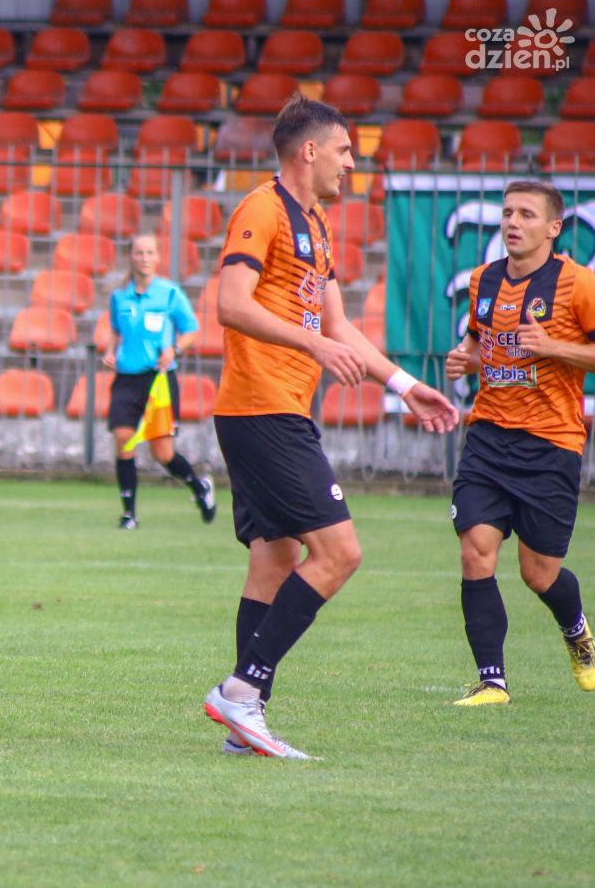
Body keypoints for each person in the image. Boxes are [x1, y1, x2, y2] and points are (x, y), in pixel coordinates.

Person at [201, 95, 459, 758]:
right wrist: (311, 344)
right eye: (344, 150)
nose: (351, 163)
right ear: (309, 150)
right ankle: (240, 691)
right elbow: (230, 305)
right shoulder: (261, 209)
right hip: (262, 407)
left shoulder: (316, 223)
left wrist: (404, 386)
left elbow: (338, 325)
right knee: (340, 553)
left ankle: (244, 726)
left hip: (281, 407)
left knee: (275, 562)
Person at [443, 180, 595, 706]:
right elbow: (479, 342)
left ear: (553, 228)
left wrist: (553, 346)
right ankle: (493, 682)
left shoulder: (578, 285)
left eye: (527, 214)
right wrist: (466, 359)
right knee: (475, 551)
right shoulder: (482, 279)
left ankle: (577, 631)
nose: (512, 222)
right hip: (488, 437)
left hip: (551, 444)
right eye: (508, 212)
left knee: (539, 574)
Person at [103, 232, 214, 530]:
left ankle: (199, 486)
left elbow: (191, 330)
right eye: (139, 253)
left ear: (158, 257)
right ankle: (129, 514)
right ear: (131, 256)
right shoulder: (119, 296)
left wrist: (173, 349)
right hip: (126, 378)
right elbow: (115, 329)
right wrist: (110, 351)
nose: (144, 258)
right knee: (123, 439)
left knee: (162, 452)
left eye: (150, 253)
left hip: (159, 380)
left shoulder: (169, 293)